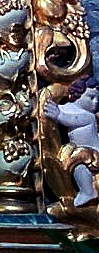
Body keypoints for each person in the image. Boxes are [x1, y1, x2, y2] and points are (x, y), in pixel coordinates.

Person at [44, 76, 99, 207]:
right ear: (77, 94)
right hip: (84, 151)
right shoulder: (70, 107)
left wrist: (59, 115)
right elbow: (63, 109)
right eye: (91, 97)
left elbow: (71, 119)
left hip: (93, 153)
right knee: (77, 160)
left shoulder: (88, 116)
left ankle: (88, 192)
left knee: (79, 162)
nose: (96, 102)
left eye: (98, 99)